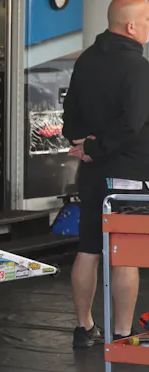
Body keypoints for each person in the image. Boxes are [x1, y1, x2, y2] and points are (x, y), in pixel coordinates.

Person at [62, 0, 149, 348]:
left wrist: (83, 146)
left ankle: (84, 329)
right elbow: (132, 124)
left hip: (92, 173)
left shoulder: (85, 60)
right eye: (147, 19)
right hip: (128, 174)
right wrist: (97, 148)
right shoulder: (138, 67)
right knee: (125, 254)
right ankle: (123, 333)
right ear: (131, 26)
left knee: (89, 248)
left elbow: (69, 114)